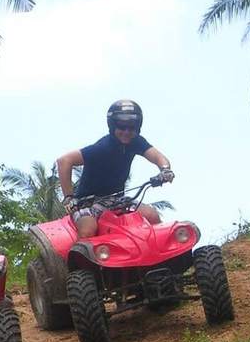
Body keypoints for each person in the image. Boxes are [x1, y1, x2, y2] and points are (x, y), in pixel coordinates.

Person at [56, 99, 175, 239]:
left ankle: (164, 257)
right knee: (88, 230)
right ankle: (76, 261)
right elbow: (64, 161)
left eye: (132, 128)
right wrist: (69, 198)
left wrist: (165, 170)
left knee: (152, 215)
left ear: (138, 128)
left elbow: (158, 157)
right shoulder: (103, 147)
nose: (126, 132)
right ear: (113, 127)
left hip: (117, 200)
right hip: (87, 203)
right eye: (121, 127)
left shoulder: (136, 142)